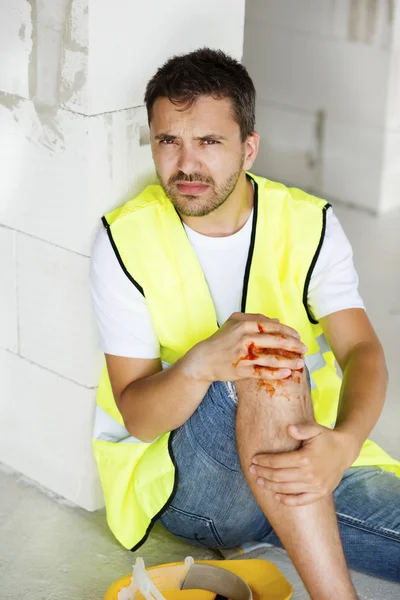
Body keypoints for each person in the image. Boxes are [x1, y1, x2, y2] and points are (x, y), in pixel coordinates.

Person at [90, 48, 400, 599]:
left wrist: (343, 445)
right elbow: (137, 417)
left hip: (306, 463)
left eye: (209, 142)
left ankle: (295, 522)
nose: (186, 164)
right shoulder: (124, 238)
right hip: (197, 486)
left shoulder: (309, 223)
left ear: (248, 148)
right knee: (266, 356)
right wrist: (200, 366)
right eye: (168, 141)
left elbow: (364, 353)